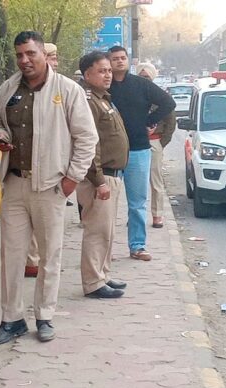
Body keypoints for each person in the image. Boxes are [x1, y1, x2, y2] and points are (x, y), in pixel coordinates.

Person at [0, 31, 98, 345]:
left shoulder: (67, 90)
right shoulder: (8, 89)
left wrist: (72, 178)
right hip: (14, 183)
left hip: (51, 185)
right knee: (12, 255)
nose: (24, 60)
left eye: (30, 54)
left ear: (43, 54)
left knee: (50, 254)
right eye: (19, 55)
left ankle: (44, 316)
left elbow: (87, 138)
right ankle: (11, 320)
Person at [107, 46, 176, 261]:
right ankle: (104, 249)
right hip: (110, 151)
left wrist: (149, 121)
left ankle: (137, 246)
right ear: (108, 62)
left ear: (128, 61)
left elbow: (168, 103)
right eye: (115, 59)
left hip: (138, 149)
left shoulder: (141, 85)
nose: (119, 61)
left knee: (137, 203)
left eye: (123, 58)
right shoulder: (103, 87)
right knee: (106, 204)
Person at [77, 51, 129, 298]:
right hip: (99, 177)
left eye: (109, 70)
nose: (108, 75)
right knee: (97, 230)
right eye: (102, 71)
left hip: (112, 175)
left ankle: (103, 274)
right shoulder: (88, 101)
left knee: (107, 230)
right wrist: (98, 181)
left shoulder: (103, 99)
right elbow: (89, 145)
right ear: (87, 75)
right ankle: (93, 282)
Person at [24, 42, 62, 279]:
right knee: (30, 221)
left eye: (56, 58)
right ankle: (31, 261)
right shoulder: (19, 89)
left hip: (52, 169)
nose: (55, 62)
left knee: (46, 228)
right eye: (51, 57)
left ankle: (40, 264)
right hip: (27, 166)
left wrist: (72, 177)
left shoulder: (63, 88)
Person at [136, 62, 176, 229]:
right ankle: (135, 216)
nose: (144, 79)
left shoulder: (160, 96)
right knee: (135, 182)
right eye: (141, 76)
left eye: (147, 77)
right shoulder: (132, 94)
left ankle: (157, 215)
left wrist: (160, 142)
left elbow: (171, 123)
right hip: (135, 141)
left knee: (156, 181)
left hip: (154, 141)